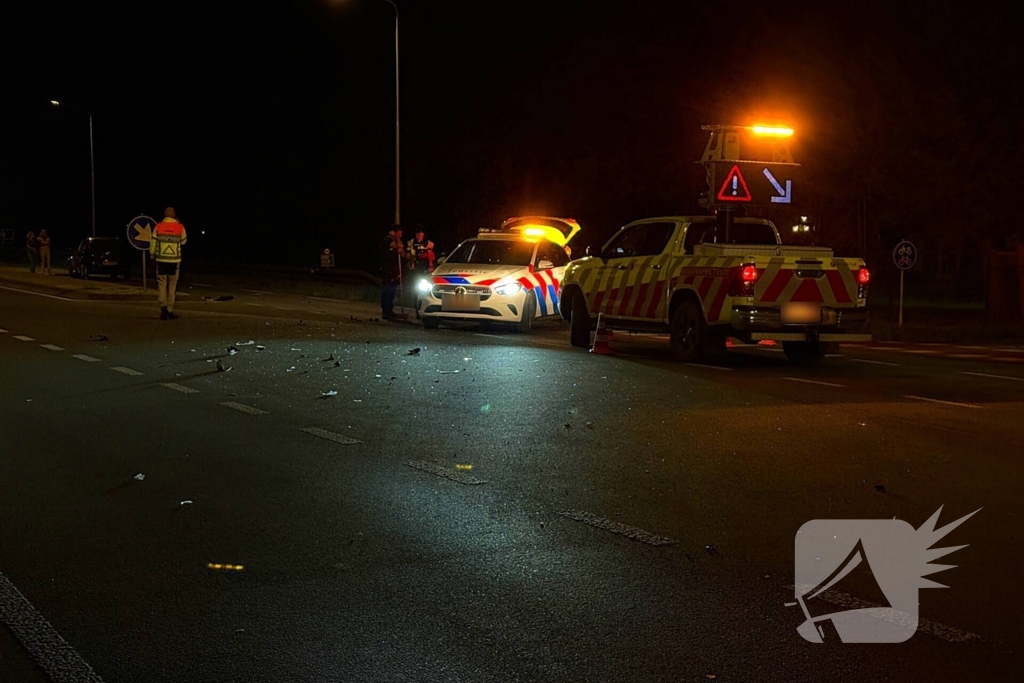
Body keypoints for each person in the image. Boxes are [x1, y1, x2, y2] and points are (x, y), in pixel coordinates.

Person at [150, 207, 188, 320]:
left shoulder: (158, 226)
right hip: (174, 261)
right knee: (172, 286)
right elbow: (184, 241)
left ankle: (163, 307)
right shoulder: (179, 227)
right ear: (174, 215)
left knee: (161, 284)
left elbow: (153, 243)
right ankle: (170, 309)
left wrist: (152, 255)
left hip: (161, 260)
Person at [380, 224, 405, 320]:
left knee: (392, 291)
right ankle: (385, 311)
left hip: (394, 270)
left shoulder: (395, 240)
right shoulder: (387, 240)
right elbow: (399, 245)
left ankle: (390, 310)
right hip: (387, 270)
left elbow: (402, 251)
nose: (400, 235)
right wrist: (395, 237)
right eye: (399, 233)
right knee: (387, 290)